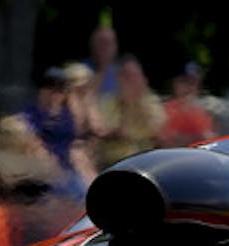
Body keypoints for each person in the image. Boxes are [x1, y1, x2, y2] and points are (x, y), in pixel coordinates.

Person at [20, 66, 95, 199]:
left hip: (68, 170)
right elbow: (33, 142)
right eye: (50, 87)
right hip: (44, 172)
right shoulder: (30, 114)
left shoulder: (67, 115)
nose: (54, 93)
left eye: (60, 89)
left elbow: (78, 140)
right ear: (42, 89)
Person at [97, 55, 165, 163]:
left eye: (136, 75)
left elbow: (158, 132)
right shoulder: (108, 101)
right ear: (119, 78)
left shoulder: (151, 101)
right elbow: (113, 133)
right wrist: (127, 104)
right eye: (127, 76)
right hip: (116, 160)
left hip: (145, 158)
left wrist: (140, 103)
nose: (133, 80)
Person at [158, 62, 215, 147]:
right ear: (175, 84)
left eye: (194, 82)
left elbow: (211, 140)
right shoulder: (164, 110)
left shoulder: (202, 112)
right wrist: (198, 137)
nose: (190, 87)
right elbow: (167, 142)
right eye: (185, 81)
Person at [86, 25, 121, 98]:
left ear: (116, 46)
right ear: (93, 45)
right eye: (102, 41)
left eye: (110, 42)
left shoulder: (123, 73)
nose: (106, 46)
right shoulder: (80, 69)